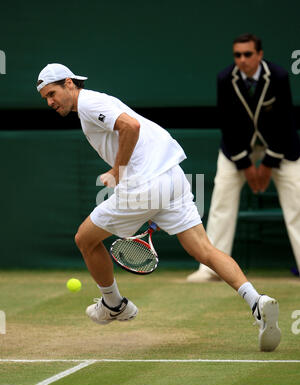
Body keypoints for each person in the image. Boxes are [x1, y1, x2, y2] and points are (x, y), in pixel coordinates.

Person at [37, 63, 281, 351]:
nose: (50, 102)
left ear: (68, 83)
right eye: (45, 99)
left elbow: (131, 125)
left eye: (52, 93)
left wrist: (118, 169)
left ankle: (114, 304)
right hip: (172, 177)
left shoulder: (89, 103)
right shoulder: (94, 104)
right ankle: (257, 301)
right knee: (204, 250)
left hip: (143, 183)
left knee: (85, 239)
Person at [188, 33, 300, 283]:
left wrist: (268, 164)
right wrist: (246, 165)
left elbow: (285, 123)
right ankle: (212, 269)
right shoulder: (225, 78)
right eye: (237, 55)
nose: (242, 59)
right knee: (221, 201)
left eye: (248, 54)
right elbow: (227, 124)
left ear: (259, 55)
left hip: (281, 146)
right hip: (237, 147)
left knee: (298, 202)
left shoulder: (279, 76)